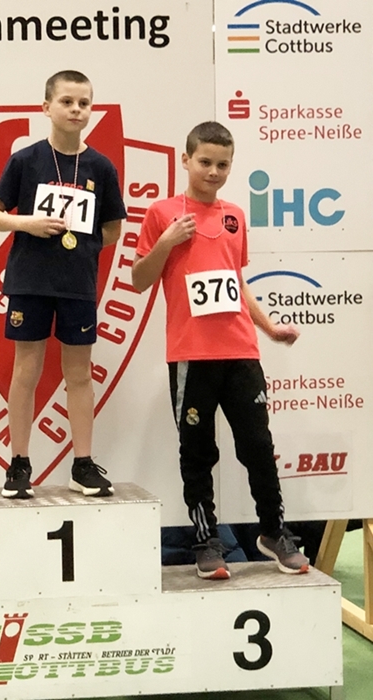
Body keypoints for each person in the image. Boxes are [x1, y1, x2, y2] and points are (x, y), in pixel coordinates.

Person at [131, 121, 309, 579]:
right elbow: (139, 279)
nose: (213, 172)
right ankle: (206, 540)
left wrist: (269, 328)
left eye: (223, 165)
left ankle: (274, 532)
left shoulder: (234, 215)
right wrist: (166, 242)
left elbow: (236, 280)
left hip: (241, 351)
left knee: (258, 445)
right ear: (185, 159)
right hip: (191, 355)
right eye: (205, 162)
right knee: (197, 451)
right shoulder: (162, 213)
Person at [0, 69, 126, 499]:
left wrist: (79, 246)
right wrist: (28, 223)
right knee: (26, 371)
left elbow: (113, 229)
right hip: (30, 282)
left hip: (77, 284)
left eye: (84, 103)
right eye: (66, 101)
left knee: (79, 373)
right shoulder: (26, 160)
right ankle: (18, 463)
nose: (76, 109)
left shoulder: (101, 167)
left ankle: (82, 464)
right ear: (46, 107)